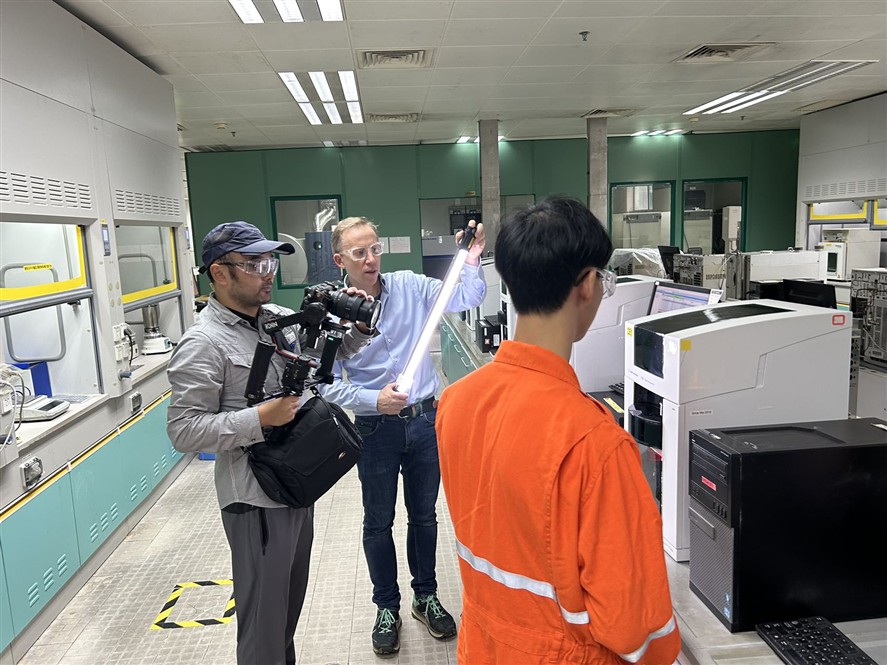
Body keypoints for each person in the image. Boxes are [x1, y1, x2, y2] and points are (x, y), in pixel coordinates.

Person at [435, 198, 681, 665]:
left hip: (483, 648)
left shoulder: (457, 402)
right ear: (586, 285)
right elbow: (636, 630)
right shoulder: (595, 444)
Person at [166, 221, 374, 665]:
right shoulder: (203, 343)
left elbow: (319, 358)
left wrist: (357, 328)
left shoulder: (276, 318)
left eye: (269, 263)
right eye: (255, 264)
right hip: (255, 499)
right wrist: (258, 419)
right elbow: (183, 430)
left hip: (296, 485)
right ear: (219, 273)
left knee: (285, 613)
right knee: (263, 622)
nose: (268, 274)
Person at [320, 216, 486, 656]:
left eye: (375, 249)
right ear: (340, 260)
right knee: (378, 521)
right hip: (375, 428)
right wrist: (373, 400)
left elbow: (468, 296)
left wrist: (471, 259)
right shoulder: (334, 313)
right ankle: (386, 607)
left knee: (425, 516)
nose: (370, 259)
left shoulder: (411, 286)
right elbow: (325, 384)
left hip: (425, 421)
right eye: (359, 253)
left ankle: (425, 597)